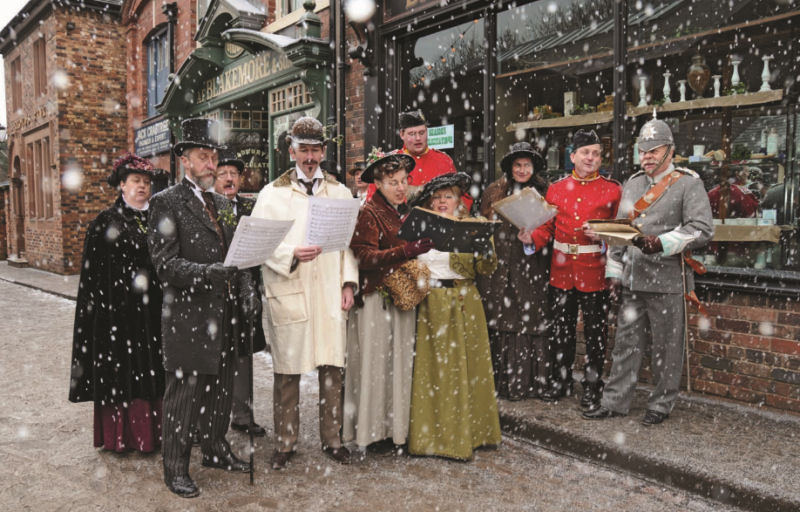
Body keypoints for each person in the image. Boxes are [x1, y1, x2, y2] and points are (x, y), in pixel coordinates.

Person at [148, 118, 260, 498]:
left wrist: (246, 288)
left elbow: (237, 253)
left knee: (220, 389)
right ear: (185, 161)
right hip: (187, 318)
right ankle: (175, 469)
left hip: (224, 316)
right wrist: (210, 273)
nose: (212, 164)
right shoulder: (166, 203)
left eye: (214, 157)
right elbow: (165, 265)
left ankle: (215, 450)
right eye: (203, 157)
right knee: (183, 396)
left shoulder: (221, 204)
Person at [583, 118, 713, 426]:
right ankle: (615, 402)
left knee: (667, 348)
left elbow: (703, 230)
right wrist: (614, 272)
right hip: (633, 278)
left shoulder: (688, 183)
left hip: (668, 280)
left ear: (670, 151)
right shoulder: (634, 184)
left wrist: (664, 242)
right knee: (625, 346)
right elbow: (619, 232)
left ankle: (662, 403)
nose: (647, 157)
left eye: (654, 151)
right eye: (643, 151)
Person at [250, 117, 359, 469]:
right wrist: (289, 255)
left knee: (333, 369)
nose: (310, 157)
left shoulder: (340, 193)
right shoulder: (272, 194)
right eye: (303, 150)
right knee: (287, 371)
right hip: (290, 287)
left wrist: (348, 284)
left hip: (328, 289)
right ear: (291, 151)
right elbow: (258, 245)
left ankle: (333, 439)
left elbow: (347, 247)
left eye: (315, 150)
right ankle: (285, 443)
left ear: (324, 152)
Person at [69, 153, 165, 454]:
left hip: (153, 313)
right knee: (122, 372)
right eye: (136, 181)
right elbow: (92, 277)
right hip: (116, 316)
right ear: (121, 185)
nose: (142, 187)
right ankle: (121, 436)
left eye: (146, 182)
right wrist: (99, 315)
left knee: (152, 370)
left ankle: (154, 434)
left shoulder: (160, 220)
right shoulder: (103, 223)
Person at [523, 130, 622, 409]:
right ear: (573, 156)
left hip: (595, 272)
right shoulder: (555, 189)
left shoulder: (613, 190)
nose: (591, 158)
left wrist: (603, 236)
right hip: (562, 271)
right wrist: (531, 238)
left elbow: (623, 231)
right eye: (585, 153)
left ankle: (592, 385)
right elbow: (546, 227)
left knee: (595, 335)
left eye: (596, 153)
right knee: (562, 332)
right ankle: (561, 379)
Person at [408, 172, 501, 460]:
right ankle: (430, 437)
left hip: (463, 302)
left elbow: (488, 268)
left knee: (467, 369)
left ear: (458, 199)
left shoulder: (473, 226)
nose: (441, 202)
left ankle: (469, 434)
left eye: (447, 196)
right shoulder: (420, 226)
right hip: (430, 303)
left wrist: (484, 248)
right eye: (436, 197)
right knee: (432, 372)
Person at [344, 152, 433, 455]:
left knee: (397, 367)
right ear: (379, 184)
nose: (400, 187)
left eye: (404, 181)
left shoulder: (404, 212)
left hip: (402, 298)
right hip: (376, 300)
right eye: (392, 182)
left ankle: (395, 430)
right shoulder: (369, 212)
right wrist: (404, 252)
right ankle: (372, 432)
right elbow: (362, 256)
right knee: (376, 367)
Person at [477, 141, 552, 400]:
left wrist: (534, 238)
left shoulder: (544, 192)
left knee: (528, 321)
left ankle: (528, 384)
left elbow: (551, 229)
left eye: (527, 165)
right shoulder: (494, 191)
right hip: (499, 266)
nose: (522, 169)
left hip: (530, 264)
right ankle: (504, 383)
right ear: (510, 167)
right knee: (502, 320)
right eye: (517, 165)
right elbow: (483, 225)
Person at [212, 149, 268, 437]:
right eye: (223, 174)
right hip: (216, 294)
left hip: (245, 293)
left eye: (233, 173)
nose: (229, 178)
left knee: (242, 357)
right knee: (214, 358)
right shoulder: (206, 208)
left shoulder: (251, 209)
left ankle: (243, 416)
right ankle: (209, 420)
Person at [366, 110, 468, 206]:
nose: (418, 138)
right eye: (412, 134)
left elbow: (460, 197)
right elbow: (373, 203)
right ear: (402, 134)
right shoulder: (387, 162)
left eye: (421, 133)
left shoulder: (443, 160)